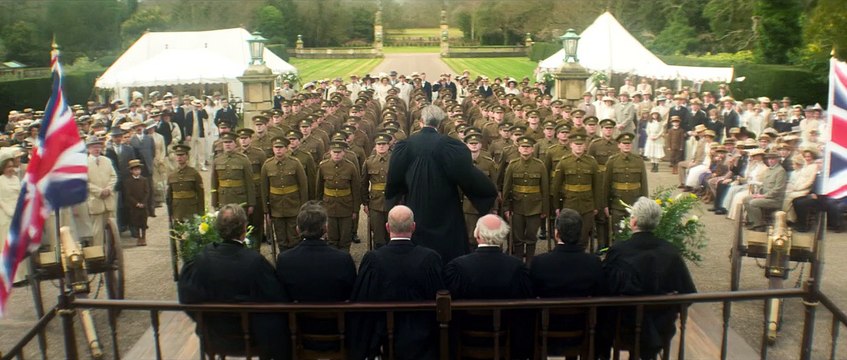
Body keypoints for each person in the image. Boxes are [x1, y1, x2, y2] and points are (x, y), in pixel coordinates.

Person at [385, 105, 498, 263]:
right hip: (445, 207)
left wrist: (393, 199)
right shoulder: (451, 146)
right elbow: (467, 175)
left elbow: (395, 177)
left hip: (416, 204)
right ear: (439, 124)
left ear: (421, 122)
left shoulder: (405, 145)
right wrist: (487, 192)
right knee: (447, 248)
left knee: (418, 246)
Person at [178, 204, 289, 359]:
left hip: (214, 337)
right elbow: (278, 298)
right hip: (251, 339)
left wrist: (205, 322)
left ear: (218, 229)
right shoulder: (255, 262)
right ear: (244, 229)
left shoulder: (201, 260)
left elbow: (186, 297)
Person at [601, 197, 696, 360]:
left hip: (623, 327)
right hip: (660, 329)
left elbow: (604, 288)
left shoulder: (618, 251)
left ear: (633, 222)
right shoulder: (670, 252)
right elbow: (687, 293)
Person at [348, 205, 445, 360]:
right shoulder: (430, 259)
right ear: (413, 227)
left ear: (387, 227)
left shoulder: (373, 260)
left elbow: (361, 301)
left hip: (383, 336)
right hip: (422, 338)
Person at [444, 214, 534, 359]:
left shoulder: (457, 267)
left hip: (466, 338)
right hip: (506, 340)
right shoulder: (518, 268)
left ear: (477, 235)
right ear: (502, 237)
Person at [530, 208, 604, 357]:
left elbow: (532, 294)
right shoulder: (593, 263)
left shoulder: (540, 263)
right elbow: (600, 292)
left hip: (546, 331)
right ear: (580, 234)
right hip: (582, 332)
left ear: (557, 234)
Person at [502, 136, 549, 263]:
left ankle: (529, 263)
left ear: (533, 149)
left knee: (531, 237)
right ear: (519, 149)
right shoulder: (513, 165)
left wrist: (545, 209)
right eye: (523, 147)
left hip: (535, 207)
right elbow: (506, 188)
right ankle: (518, 263)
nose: (525, 149)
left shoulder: (540, 166)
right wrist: (506, 208)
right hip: (517, 206)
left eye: (528, 147)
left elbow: (545, 189)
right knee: (517, 238)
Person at [261, 136, 309, 251]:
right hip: (276, 207)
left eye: (281, 147)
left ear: (287, 148)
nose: (278, 150)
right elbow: (264, 189)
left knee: (294, 238)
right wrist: (266, 210)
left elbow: (303, 186)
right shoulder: (267, 165)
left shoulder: (295, 163)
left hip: (293, 205)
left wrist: (303, 206)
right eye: (276, 147)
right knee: (281, 238)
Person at [604, 133, 649, 245]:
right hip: (617, 203)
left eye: (629, 144)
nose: (627, 146)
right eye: (624, 143)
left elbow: (643, 183)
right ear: (619, 145)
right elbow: (606, 185)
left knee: (634, 232)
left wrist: (644, 202)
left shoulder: (638, 160)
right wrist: (605, 204)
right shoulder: (612, 161)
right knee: (617, 233)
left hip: (634, 203)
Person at [316, 141, 361, 251]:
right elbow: (319, 189)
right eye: (334, 152)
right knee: (331, 237)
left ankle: (345, 258)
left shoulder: (351, 167)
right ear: (330, 152)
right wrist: (319, 207)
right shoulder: (323, 166)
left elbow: (356, 189)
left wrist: (355, 209)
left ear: (344, 153)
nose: (336, 154)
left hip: (346, 206)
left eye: (339, 152)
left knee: (345, 237)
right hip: (329, 206)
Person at [361, 133, 392, 249]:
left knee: (391, 235)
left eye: (384, 144)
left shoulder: (395, 160)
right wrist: (365, 202)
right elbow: (363, 184)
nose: (381, 147)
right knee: (378, 237)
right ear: (375, 146)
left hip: (392, 202)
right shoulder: (369, 162)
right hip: (375, 204)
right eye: (379, 144)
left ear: (388, 146)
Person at [86, 137, 117, 247]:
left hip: (109, 199)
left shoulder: (107, 161)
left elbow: (113, 176)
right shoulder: (84, 163)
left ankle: (112, 254)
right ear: (88, 149)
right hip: (95, 201)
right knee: (97, 231)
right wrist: (99, 191)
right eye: (94, 147)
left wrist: (109, 188)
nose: (97, 149)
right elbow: (85, 182)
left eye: (99, 147)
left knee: (113, 230)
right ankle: (98, 254)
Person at [744, 151, 787, 231]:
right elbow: (764, 185)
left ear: (777, 160)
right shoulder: (769, 170)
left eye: (773, 159)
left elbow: (778, 189)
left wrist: (763, 196)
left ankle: (759, 225)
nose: (770, 161)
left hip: (775, 199)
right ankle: (754, 221)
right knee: (746, 199)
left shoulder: (780, 171)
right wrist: (758, 193)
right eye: (769, 159)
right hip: (765, 196)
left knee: (753, 203)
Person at [166, 144, 204, 222]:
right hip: (177, 209)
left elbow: (200, 194)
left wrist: (201, 213)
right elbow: (169, 196)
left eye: (182, 155)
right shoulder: (171, 175)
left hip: (191, 209)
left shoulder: (194, 173)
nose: (179, 157)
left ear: (187, 156)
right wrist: (170, 214)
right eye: (177, 155)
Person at [124, 159, 149, 246]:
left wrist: (143, 203)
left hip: (143, 205)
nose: (137, 171)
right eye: (135, 170)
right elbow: (128, 195)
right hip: (134, 206)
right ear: (131, 171)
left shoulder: (144, 180)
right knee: (136, 222)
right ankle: (138, 238)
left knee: (143, 222)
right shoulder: (128, 182)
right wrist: (136, 203)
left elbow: (147, 192)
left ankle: (144, 238)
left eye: (138, 169)